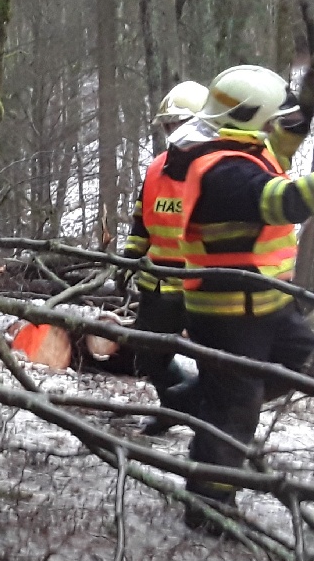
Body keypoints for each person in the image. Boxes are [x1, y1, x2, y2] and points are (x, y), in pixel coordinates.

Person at [166, 64, 314, 534]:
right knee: (237, 411)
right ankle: (209, 508)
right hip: (230, 314)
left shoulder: (235, 144)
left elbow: (275, 153)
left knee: (296, 362)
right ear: (251, 119)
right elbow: (282, 201)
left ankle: (203, 396)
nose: (276, 127)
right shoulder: (220, 170)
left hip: (269, 305)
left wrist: (302, 116)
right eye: (272, 119)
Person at [120, 81, 208, 435]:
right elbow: (143, 219)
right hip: (157, 281)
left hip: (203, 285)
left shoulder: (215, 170)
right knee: (148, 355)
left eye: (180, 123)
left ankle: (201, 416)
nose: (174, 132)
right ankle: (175, 405)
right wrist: (129, 258)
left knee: (215, 362)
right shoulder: (157, 168)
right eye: (169, 125)